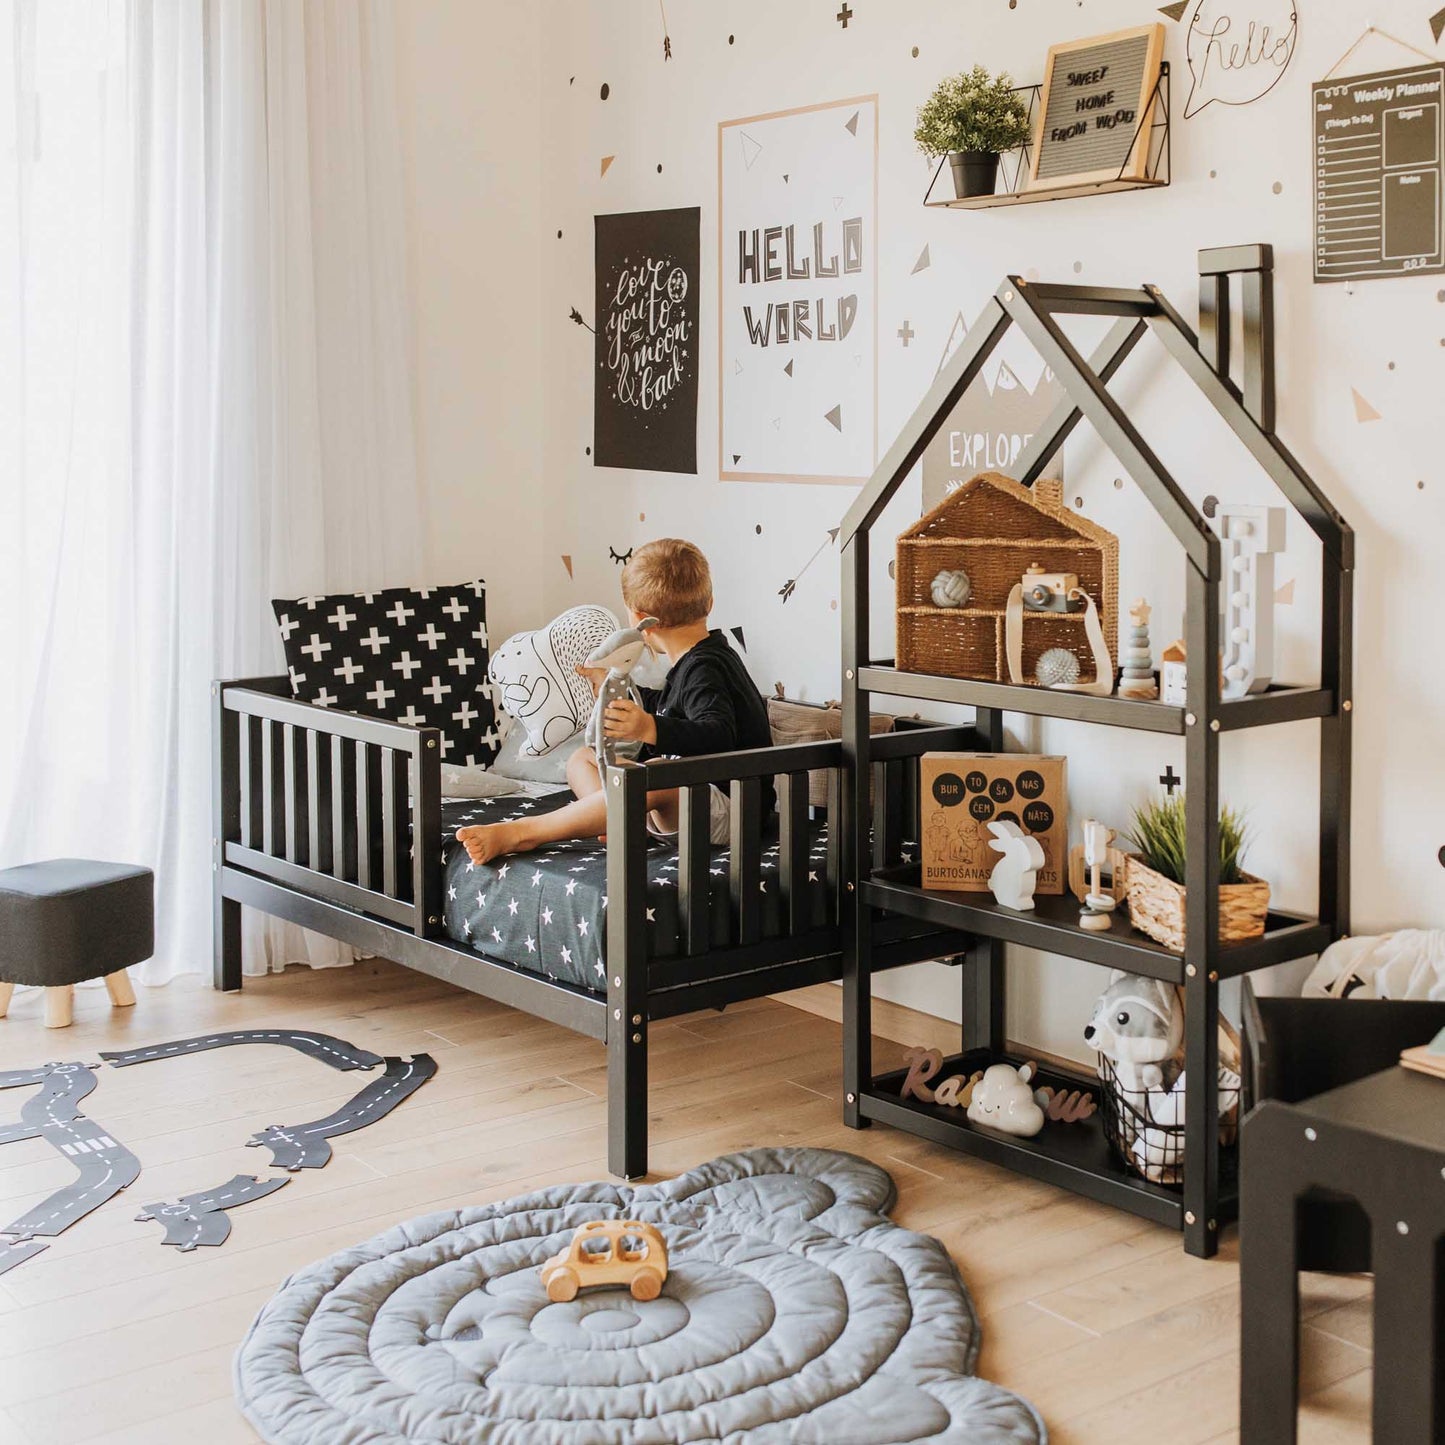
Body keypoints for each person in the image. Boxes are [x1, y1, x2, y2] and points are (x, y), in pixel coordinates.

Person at [456, 539, 772, 865]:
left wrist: (648, 727)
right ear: (710, 603)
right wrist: (625, 694)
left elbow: (718, 735)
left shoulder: (706, 668)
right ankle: (615, 821)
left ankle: (524, 832)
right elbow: (671, 706)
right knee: (583, 758)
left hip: (732, 811)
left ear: (638, 619)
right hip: (694, 802)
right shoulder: (700, 659)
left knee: (657, 774)